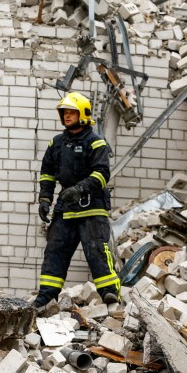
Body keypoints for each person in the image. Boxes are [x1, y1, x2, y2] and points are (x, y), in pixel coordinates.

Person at [33, 92, 120, 310]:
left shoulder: (96, 142)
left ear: (83, 114)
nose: (67, 116)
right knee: (55, 251)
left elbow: (102, 174)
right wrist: (45, 199)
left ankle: (109, 293)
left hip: (92, 208)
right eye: (64, 113)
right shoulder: (57, 143)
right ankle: (46, 296)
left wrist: (80, 188)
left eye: (71, 112)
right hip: (66, 209)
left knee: (97, 251)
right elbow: (47, 173)